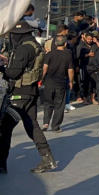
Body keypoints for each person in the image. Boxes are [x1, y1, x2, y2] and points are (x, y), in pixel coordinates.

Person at [0, 19, 56, 173]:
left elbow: (13, 73)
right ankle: (47, 158)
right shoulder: (35, 46)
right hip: (30, 92)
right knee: (32, 125)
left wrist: (2, 68)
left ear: (18, 35)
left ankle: (1, 162)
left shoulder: (23, 49)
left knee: (5, 127)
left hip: (20, 94)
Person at [41, 35, 74, 132]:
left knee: (48, 103)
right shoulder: (68, 54)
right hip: (61, 83)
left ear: (55, 43)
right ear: (65, 44)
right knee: (59, 105)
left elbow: (45, 68)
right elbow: (70, 69)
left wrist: (41, 79)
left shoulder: (49, 54)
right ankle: (55, 126)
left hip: (49, 82)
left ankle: (45, 123)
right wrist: (71, 81)